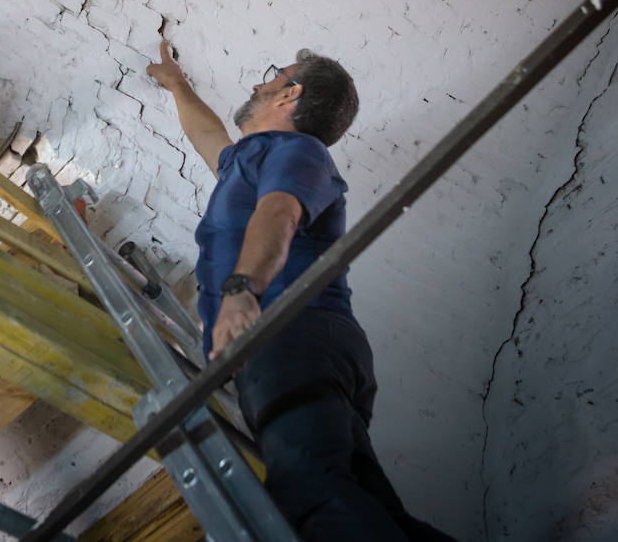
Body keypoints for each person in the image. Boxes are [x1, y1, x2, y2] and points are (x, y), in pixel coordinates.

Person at [145, 40, 455, 542]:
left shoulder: (298, 152)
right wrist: (178, 85)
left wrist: (243, 291)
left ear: (290, 94)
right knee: (367, 509)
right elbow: (209, 138)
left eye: (272, 75)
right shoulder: (249, 161)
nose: (256, 82)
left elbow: (280, 213)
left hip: (291, 332)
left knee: (311, 498)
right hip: (305, 348)